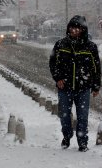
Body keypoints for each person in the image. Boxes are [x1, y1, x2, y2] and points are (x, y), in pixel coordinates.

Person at [49, 15, 101, 152]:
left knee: (83, 117)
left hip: (83, 88)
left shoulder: (91, 47)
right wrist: (58, 78)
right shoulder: (61, 45)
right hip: (64, 87)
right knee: (64, 115)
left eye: (77, 28)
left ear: (83, 30)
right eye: (72, 28)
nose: (74, 31)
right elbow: (53, 63)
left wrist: (96, 86)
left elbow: (96, 68)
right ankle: (66, 136)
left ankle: (82, 142)